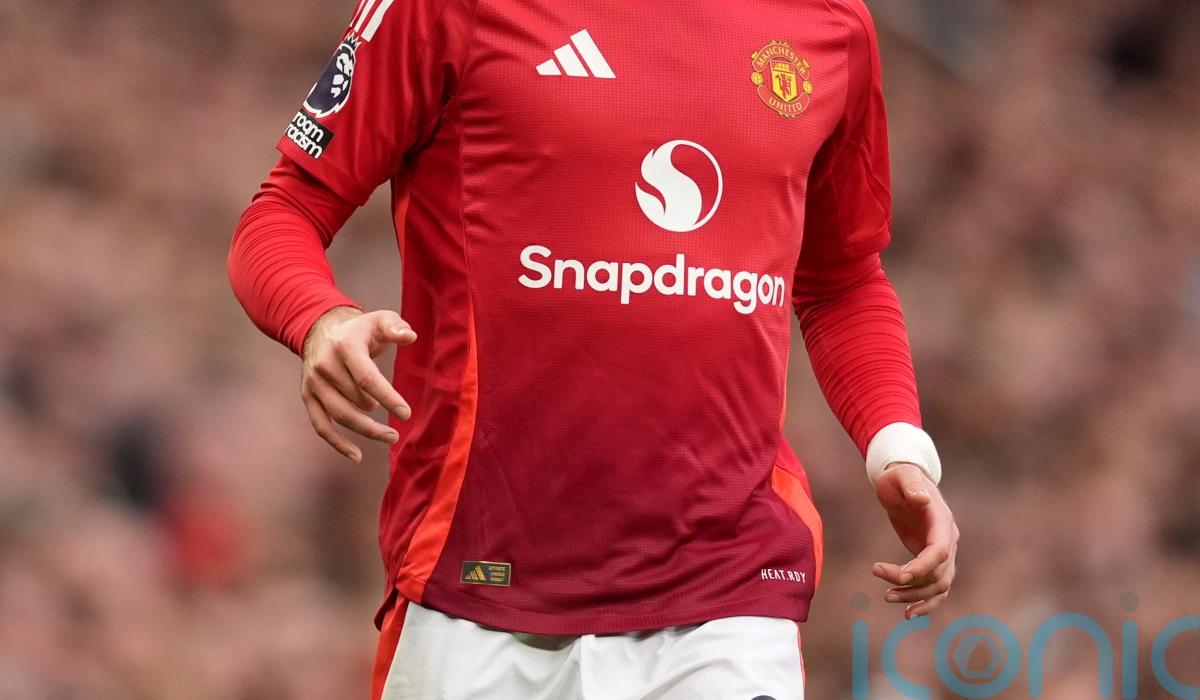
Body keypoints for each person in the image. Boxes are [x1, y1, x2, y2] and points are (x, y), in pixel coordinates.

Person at [227, 0, 959, 697]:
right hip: (475, 587)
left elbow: (841, 279)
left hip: (728, 594)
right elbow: (284, 211)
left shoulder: (828, 24)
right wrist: (319, 319)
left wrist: (895, 445)